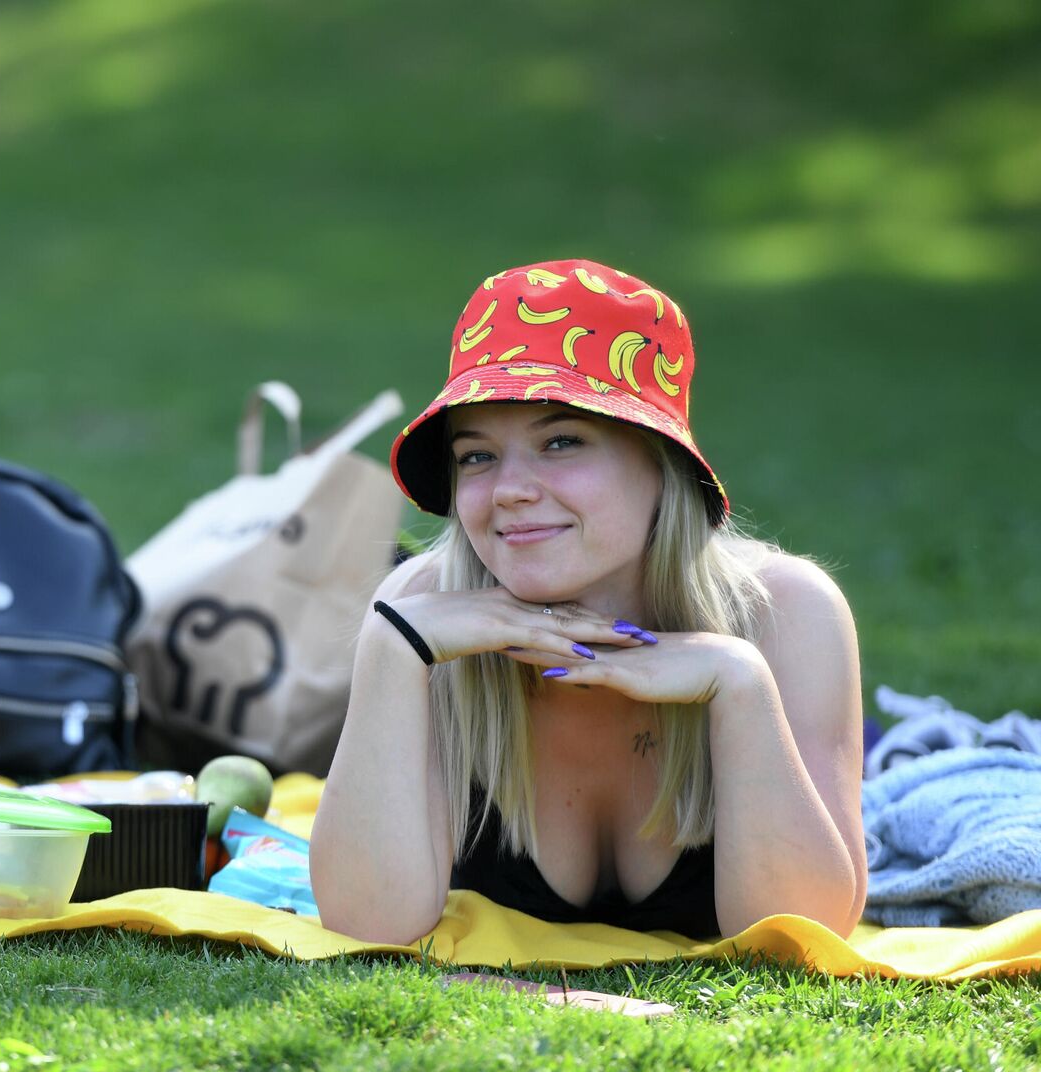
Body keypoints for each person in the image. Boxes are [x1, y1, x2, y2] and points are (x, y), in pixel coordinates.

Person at [310, 259, 866, 943]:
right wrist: (391, 651)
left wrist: (741, 686)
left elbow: (802, 937)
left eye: (561, 442)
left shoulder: (785, 614)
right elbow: (367, 924)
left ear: (664, 467)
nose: (509, 489)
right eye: (476, 456)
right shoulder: (420, 613)